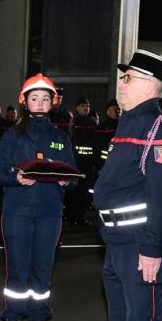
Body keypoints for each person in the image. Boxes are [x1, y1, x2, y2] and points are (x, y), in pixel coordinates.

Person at [94, 49, 162, 321]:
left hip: (139, 247)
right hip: (116, 244)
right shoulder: (128, 123)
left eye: (127, 78)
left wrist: (152, 248)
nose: (121, 83)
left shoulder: (156, 126)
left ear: (149, 85)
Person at [0, 73, 76, 321]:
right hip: (17, 212)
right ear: (25, 102)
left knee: (42, 273)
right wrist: (16, 178)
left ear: (52, 103)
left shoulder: (60, 137)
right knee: (17, 271)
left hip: (50, 213)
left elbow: (74, 176)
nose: (39, 103)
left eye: (45, 98)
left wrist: (68, 181)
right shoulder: (11, 135)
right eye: (34, 98)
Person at [66, 97, 97, 226]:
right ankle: (71, 215)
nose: (86, 108)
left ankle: (80, 216)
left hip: (88, 164)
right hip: (75, 162)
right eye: (83, 106)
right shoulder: (73, 122)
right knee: (74, 190)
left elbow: (96, 144)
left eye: (88, 106)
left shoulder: (92, 124)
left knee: (84, 191)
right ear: (77, 108)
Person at [94, 99, 120, 169]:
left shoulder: (122, 126)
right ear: (108, 112)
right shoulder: (102, 127)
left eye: (118, 109)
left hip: (118, 163)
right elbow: (97, 147)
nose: (117, 111)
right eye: (114, 109)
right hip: (104, 164)